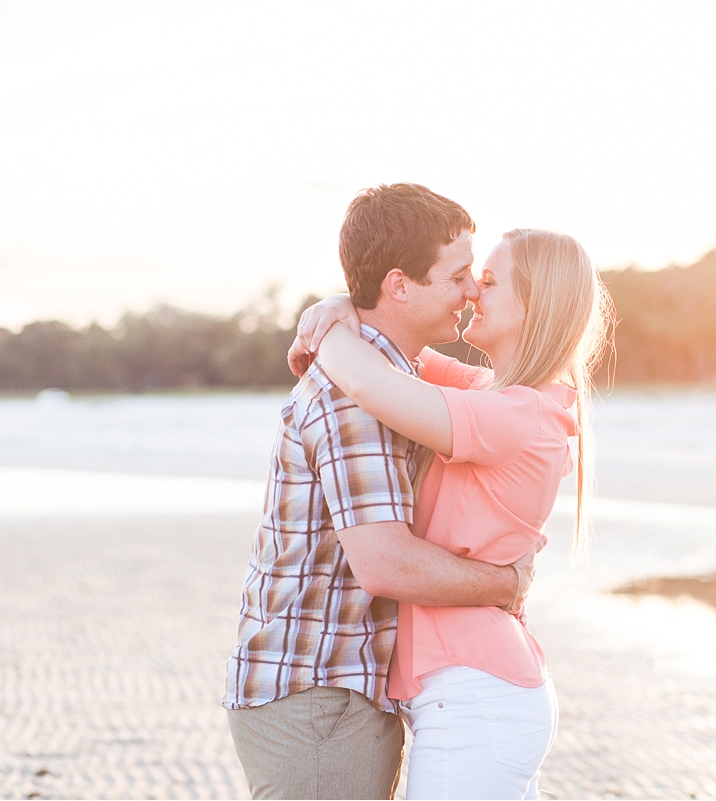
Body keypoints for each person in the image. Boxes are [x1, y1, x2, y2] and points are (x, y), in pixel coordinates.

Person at [223, 184, 543, 800]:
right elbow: (385, 562)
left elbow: (501, 396)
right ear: (399, 285)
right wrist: (506, 583)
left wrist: (337, 309)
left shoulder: (392, 379)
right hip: (318, 693)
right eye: (457, 276)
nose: (472, 290)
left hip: (330, 689)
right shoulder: (358, 400)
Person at [289, 226, 613, 799]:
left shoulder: (516, 414)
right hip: (478, 693)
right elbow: (402, 349)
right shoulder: (495, 393)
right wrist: (346, 306)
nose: (471, 294)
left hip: (475, 697)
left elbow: (369, 382)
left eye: (488, 282)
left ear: (533, 307)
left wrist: (327, 332)